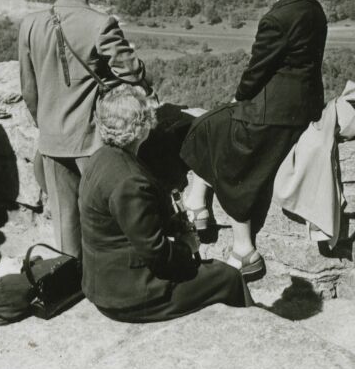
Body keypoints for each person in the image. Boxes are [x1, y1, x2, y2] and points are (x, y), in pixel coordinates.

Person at [183, 0, 327, 282]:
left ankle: (241, 247)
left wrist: (239, 97)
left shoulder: (275, 19)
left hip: (275, 112)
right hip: (306, 107)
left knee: (210, 128)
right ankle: (198, 203)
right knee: (214, 125)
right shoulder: (314, 9)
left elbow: (257, 70)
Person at [14, 0, 152, 256]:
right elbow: (132, 73)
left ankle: (72, 278)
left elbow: (28, 88)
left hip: (52, 140)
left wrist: (45, 123)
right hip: (92, 141)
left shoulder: (30, 24)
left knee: (66, 231)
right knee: (108, 225)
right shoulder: (100, 24)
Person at [78, 86, 251, 323]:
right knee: (228, 277)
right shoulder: (130, 182)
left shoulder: (99, 158)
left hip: (106, 283)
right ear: (141, 129)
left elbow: (126, 225)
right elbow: (155, 253)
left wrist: (170, 223)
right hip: (131, 294)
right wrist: (187, 246)